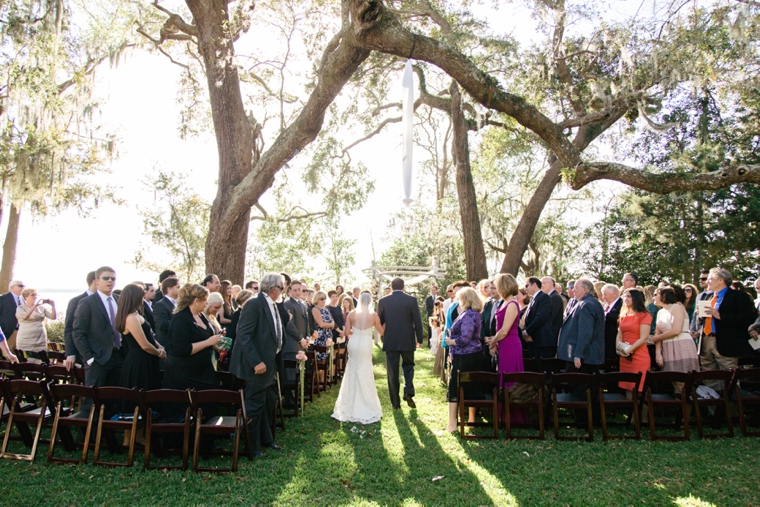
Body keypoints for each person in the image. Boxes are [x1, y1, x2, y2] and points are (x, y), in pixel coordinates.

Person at [229, 273, 289, 458]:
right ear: (273, 289)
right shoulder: (254, 304)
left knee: (268, 402)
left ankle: (266, 439)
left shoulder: (273, 304)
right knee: (254, 405)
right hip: (256, 365)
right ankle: (250, 447)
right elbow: (244, 335)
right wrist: (256, 362)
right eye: (282, 287)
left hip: (270, 363)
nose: (283, 291)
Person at [72, 266, 124, 417]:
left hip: (118, 356)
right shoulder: (87, 302)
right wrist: (88, 358)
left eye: (113, 278)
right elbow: (78, 332)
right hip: (97, 359)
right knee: (91, 404)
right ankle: (86, 438)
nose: (110, 281)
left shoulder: (118, 300)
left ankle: (108, 435)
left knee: (113, 399)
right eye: (106, 278)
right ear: (96, 281)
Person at [332, 291, 385, 424]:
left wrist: (355, 330)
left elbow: (346, 332)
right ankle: (365, 404)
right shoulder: (374, 316)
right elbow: (382, 332)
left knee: (352, 369)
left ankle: (349, 405)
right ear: (370, 301)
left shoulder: (352, 314)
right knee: (365, 370)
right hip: (366, 344)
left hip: (354, 343)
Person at [700, 268, 758, 387]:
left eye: (710, 278)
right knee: (709, 377)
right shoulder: (706, 297)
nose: (707, 282)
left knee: (729, 378)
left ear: (720, 280)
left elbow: (747, 318)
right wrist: (700, 317)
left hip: (726, 342)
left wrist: (720, 316)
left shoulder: (738, 296)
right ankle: (714, 404)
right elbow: (702, 320)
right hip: (706, 340)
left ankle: (732, 405)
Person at [163, 284, 223, 396]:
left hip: (202, 368)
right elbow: (181, 349)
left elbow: (206, 336)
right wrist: (208, 342)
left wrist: (216, 346)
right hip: (184, 372)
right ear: (196, 300)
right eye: (205, 300)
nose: (206, 303)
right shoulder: (180, 319)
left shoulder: (201, 315)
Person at [377, 277, 424, 410]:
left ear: (391, 287)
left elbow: (378, 321)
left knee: (392, 370)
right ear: (403, 287)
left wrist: (383, 335)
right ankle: (408, 391)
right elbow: (417, 321)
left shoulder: (383, 301)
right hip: (407, 339)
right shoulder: (411, 300)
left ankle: (395, 403)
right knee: (409, 365)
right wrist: (419, 339)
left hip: (390, 339)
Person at [485, 273, 526, 423]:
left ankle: (514, 417)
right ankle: (503, 415)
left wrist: (492, 342)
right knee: (502, 376)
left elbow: (504, 330)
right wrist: (495, 341)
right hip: (503, 345)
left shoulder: (512, 304)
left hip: (511, 346)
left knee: (511, 378)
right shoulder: (504, 302)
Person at [116, 284, 164, 409]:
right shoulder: (130, 318)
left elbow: (150, 336)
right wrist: (159, 353)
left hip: (147, 359)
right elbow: (144, 345)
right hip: (139, 361)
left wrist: (160, 347)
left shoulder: (137, 314)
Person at [444, 287, 483, 432]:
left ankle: (452, 424)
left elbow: (465, 338)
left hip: (465, 356)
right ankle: (468, 420)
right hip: (471, 355)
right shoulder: (474, 313)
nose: (458, 302)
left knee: (455, 386)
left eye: (459, 299)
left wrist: (451, 342)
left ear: (466, 299)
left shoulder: (468, 315)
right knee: (470, 385)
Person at [652, 287, 699, 374]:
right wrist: (658, 354)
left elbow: (676, 330)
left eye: (655, 295)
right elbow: (657, 334)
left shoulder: (677, 307)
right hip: (667, 346)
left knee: (685, 377)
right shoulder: (660, 312)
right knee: (672, 378)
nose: (653, 298)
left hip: (681, 344)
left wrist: (658, 338)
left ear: (664, 296)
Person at [615, 288, 652, 392]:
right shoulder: (623, 315)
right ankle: (631, 407)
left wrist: (629, 350)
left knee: (639, 388)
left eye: (629, 296)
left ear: (636, 298)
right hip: (624, 355)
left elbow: (643, 337)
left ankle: (641, 408)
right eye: (624, 296)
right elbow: (619, 334)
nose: (625, 299)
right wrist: (619, 349)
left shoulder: (644, 315)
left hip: (638, 355)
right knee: (627, 386)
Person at [64, 271, 97, 370]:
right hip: (83, 352)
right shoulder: (76, 301)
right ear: (95, 281)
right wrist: (70, 353)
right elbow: (69, 327)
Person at [16, 287, 56, 362]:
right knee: (27, 360)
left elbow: (53, 317)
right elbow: (24, 317)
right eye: (32, 295)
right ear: (26, 297)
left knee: (41, 359)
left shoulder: (41, 308)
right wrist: (35, 305)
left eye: (36, 295)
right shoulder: (20, 308)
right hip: (26, 339)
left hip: (40, 338)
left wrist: (53, 306)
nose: (35, 297)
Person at [522, 277, 554, 366]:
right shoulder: (533, 299)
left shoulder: (544, 297)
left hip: (542, 341)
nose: (525, 289)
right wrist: (526, 332)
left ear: (535, 285)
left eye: (527, 285)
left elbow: (540, 318)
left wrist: (527, 331)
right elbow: (527, 318)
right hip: (533, 340)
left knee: (543, 370)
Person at [153, 276, 180, 351]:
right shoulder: (160, 305)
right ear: (169, 289)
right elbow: (162, 324)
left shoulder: (178, 303)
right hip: (168, 345)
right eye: (178, 287)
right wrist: (181, 322)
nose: (180, 290)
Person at [541, 276, 565, 359]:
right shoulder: (549, 296)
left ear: (551, 284)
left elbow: (551, 317)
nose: (542, 285)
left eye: (544, 283)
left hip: (550, 336)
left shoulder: (555, 297)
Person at [0, 279, 25, 351]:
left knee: (19, 352)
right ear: (12, 287)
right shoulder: (2, 298)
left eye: (24, 286)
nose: (23, 288)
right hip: (6, 331)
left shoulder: (23, 299)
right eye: (20, 286)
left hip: (20, 331)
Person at [311, 291, 335, 365]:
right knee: (320, 360)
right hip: (320, 337)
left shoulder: (326, 309)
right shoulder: (315, 309)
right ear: (316, 299)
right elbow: (321, 324)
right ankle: (318, 376)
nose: (324, 300)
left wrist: (331, 324)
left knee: (327, 360)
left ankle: (324, 376)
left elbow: (332, 320)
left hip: (328, 336)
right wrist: (331, 325)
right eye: (321, 299)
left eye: (325, 298)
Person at [601, 284, 622, 359]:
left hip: (614, 340)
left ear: (614, 292)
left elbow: (620, 318)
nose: (603, 297)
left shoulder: (621, 304)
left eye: (605, 294)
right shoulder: (606, 305)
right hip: (605, 342)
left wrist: (606, 315)